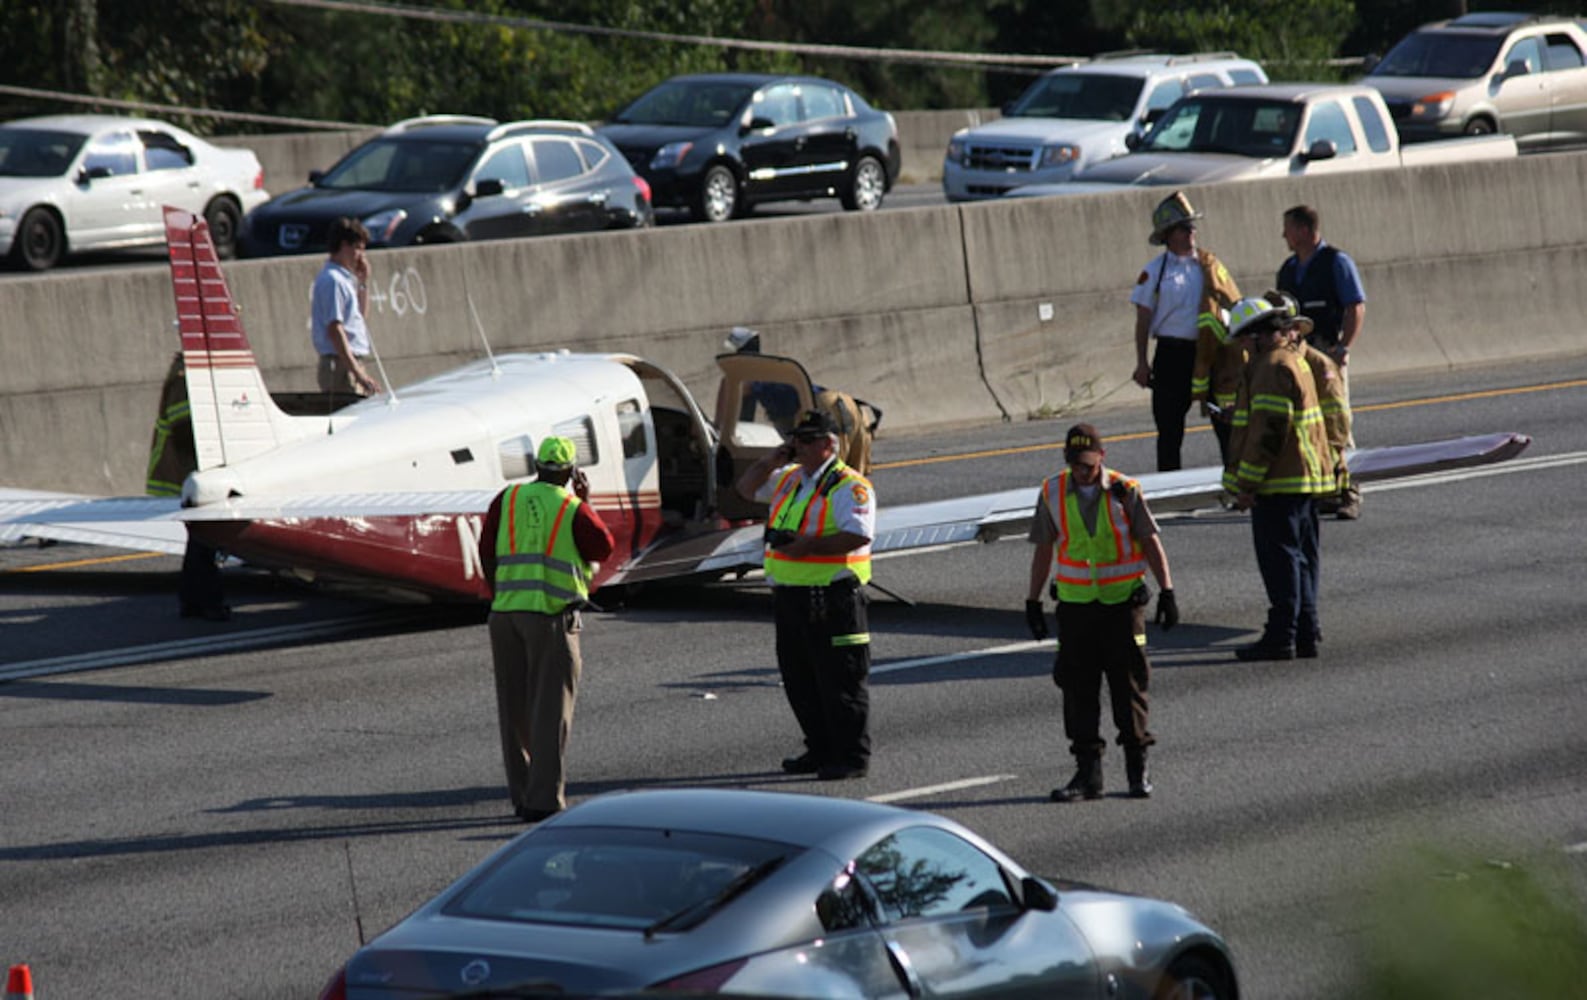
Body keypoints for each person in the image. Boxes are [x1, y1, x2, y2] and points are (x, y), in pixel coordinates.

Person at [1025, 423, 1178, 802]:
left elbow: (1149, 540)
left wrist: (1168, 591)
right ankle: (1088, 776)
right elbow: (1044, 548)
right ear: (1067, 461)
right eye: (1078, 465)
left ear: (1102, 458)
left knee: (1129, 689)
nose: (1084, 472)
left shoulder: (1126, 491)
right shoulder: (1053, 491)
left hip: (1122, 607)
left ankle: (1136, 770)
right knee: (1078, 691)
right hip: (1076, 609)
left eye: (1090, 465)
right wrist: (1032, 600)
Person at [478, 436, 614, 822]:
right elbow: (602, 548)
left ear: (536, 466)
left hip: (505, 615)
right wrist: (586, 500)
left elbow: (486, 550)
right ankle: (543, 801)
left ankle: (522, 795)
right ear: (571, 473)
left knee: (514, 711)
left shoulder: (507, 499)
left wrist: (500, 594)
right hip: (552, 619)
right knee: (551, 711)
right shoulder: (572, 508)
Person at [736, 409, 876, 781]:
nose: (797, 445)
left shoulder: (849, 485)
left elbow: (858, 534)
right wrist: (770, 459)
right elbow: (746, 488)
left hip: (832, 596)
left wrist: (807, 546)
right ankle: (819, 748)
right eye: (795, 438)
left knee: (840, 681)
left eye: (806, 440)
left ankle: (851, 756)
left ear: (828, 445)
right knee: (800, 679)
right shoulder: (789, 479)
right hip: (791, 596)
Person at [1220, 298, 1336, 662]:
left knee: (1280, 561)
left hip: (1280, 482)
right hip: (1302, 480)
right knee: (1301, 559)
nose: (1241, 348)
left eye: (1243, 340)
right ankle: (1305, 631)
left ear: (1257, 337)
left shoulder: (1270, 367)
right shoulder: (1294, 361)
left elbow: (1269, 432)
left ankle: (1282, 634)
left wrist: (1247, 484)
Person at [1131, 191, 1242, 471]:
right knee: (1170, 430)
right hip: (1171, 356)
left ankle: (1237, 486)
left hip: (1212, 355)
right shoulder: (1154, 272)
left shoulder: (1210, 266)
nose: (1191, 232)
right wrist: (1142, 362)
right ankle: (1171, 492)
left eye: (1192, 226)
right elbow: (1143, 319)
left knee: (1226, 424)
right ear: (1168, 234)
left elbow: (1234, 303)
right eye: (1184, 227)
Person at [1276, 205, 1366, 518]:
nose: (1283, 235)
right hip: (1299, 358)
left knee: (1339, 424)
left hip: (1328, 354)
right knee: (1309, 424)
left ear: (1303, 230)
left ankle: (1349, 493)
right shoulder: (1288, 269)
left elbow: (1355, 306)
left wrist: (1343, 347)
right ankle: (1326, 489)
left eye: (1287, 228)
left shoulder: (1336, 263)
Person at [310, 217, 382, 397]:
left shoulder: (344, 280)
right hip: (341, 364)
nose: (361, 256)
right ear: (344, 246)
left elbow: (359, 318)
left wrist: (363, 282)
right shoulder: (333, 281)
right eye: (358, 248)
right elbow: (335, 328)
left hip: (349, 362)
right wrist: (357, 373)